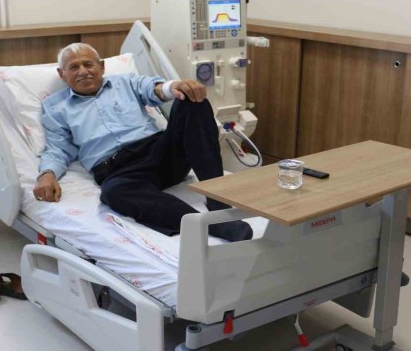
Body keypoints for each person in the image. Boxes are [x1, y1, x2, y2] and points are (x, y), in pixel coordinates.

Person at [32, 43, 252, 242]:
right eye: (73, 67)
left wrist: (174, 87)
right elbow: (58, 148)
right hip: (119, 170)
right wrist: (47, 174)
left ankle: (216, 199)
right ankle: (208, 225)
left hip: (160, 152)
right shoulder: (56, 107)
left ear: (101, 67)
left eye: (88, 64)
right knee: (112, 193)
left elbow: (154, 88)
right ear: (62, 74)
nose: (83, 71)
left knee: (192, 101)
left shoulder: (126, 82)